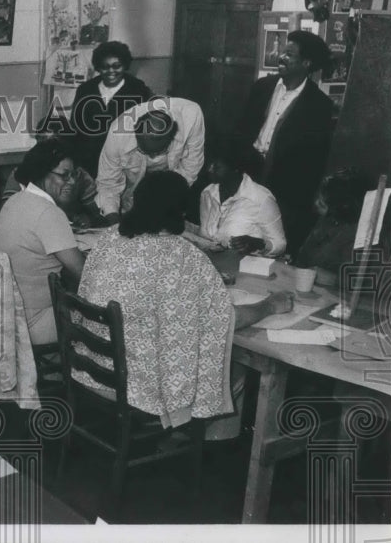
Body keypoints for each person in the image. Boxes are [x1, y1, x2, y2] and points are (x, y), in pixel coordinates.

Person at [74, 171, 294, 428]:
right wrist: (269, 305)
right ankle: (192, 441)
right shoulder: (183, 256)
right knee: (232, 371)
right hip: (133, 392)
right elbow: (226, 318)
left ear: (136, 201)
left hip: (88, 370)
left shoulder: (109, 239)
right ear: (180, 212)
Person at [233, 30, 334, 256]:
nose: (281, 57)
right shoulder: (262, 87)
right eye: (282, 52)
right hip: (249, 172)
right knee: (241, 233)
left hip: (285, 184)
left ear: (306, 63)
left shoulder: (319, 105)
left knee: (271, 242)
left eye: (289, 54)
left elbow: (313, 160)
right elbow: (241, 129)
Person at [0, 139, 85, 346]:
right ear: (42, 173)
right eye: (64, 175)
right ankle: (83, 375)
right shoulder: (48, 212)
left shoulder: (15, 200)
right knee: (110, 319)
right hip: (33, 323)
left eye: (74, 175)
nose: (72, 182)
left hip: (4, 315)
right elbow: (83, 271)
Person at [95, 97, 206, 223]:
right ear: (136, 133)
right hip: (130, 190)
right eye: (144, 151)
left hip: (170, 183)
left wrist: (163, 207)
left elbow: (190, 170)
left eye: (158, 152)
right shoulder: (118, 133)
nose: (153, 157)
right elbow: (108, 183)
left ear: (172, 137)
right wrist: (114, 221)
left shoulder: (191, 116)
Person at [69, 41, 154, 178]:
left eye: (117, 66)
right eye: (105, 67)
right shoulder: (85, 90)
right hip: (90, 161)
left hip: (125, 163)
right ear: (98, 67)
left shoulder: (137, 89)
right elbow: (75, 127)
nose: (111, 71)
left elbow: (146, 129)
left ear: (125, 65)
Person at [194, 139, 286, 257]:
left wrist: (260, 244)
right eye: (210, 164)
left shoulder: (261, 198)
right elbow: (204, 236)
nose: (209, 169)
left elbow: (280, 245)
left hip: (248, 269)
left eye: (217, 167)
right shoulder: (207, 193)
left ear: (236, 169)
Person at [295, 169, 375, 287]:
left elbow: (367, 283)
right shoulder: (328, 220)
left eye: (322, 203)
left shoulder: (364, 234)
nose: (316, 203)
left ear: (344, 206)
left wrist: (334, 280)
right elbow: (303, 258)